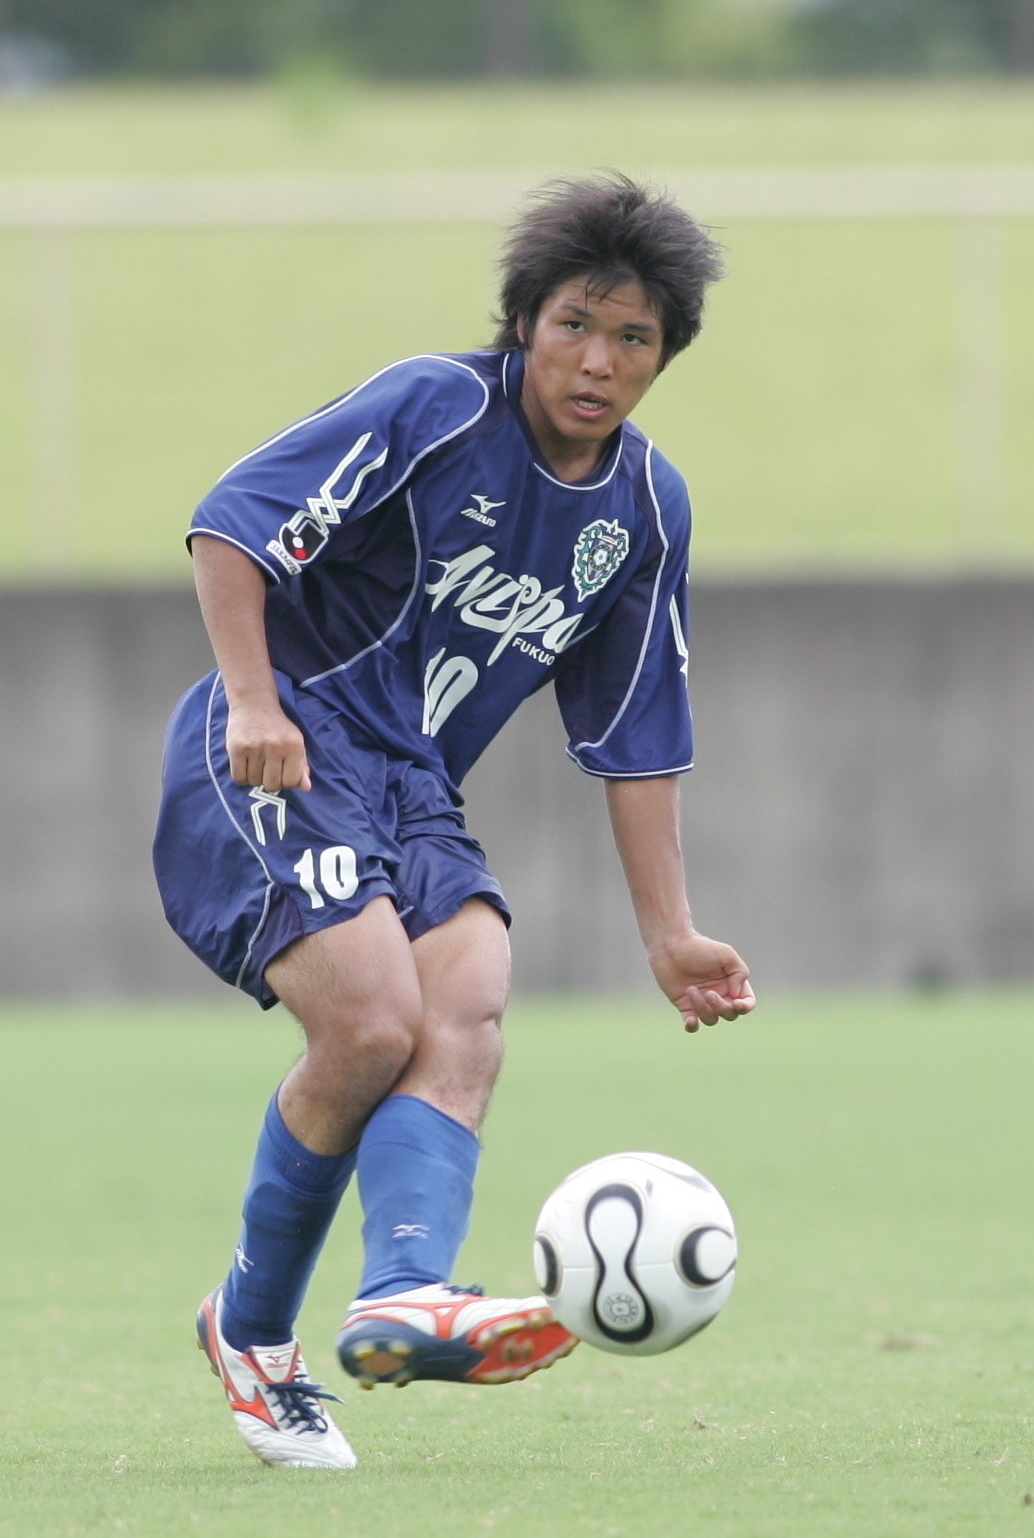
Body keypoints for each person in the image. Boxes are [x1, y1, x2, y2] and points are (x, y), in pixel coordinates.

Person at [153, 172, 757, 1472]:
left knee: (471, 986)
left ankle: (402, 1294)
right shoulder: (436, 407)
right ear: (524, 321)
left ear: (666, 356)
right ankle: (253, 1333)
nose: (598, 361)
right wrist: (252, 700)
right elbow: (233, 525)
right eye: (574, 324)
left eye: (634, 337)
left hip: (412, 780)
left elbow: (637, 732)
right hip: (285, 738)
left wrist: (671, 934)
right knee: (373, 1020)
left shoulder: (647, 510)